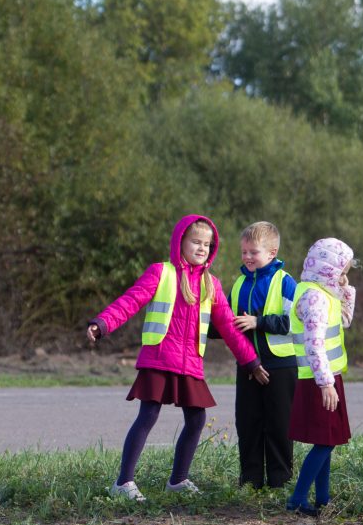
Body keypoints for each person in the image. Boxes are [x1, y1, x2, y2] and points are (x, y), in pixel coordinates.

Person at [87, 215, 268, 502]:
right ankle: (123, 483)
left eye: (207, 245)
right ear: (179, 242)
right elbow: (130, 301)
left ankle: (178, 480)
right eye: (195, 242)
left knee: (197, 419)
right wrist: (103, 323)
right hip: (159, 358)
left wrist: (251, 361)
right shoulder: (162, 272)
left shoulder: (212, 285)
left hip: (190, 364)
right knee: (148, 416)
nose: (201, 248)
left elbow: (229, 329)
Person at [285, 238, 357, 516]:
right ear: (328, 269)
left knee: (327, 439)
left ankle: (323, 499)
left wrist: (345, 289)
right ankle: (298, 498)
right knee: (325, 441)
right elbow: (313, 343)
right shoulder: (313, 297)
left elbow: (346, 320)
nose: (344, 276)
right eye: (342, 271)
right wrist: (326, 383)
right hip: (319, 380)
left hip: (327, 377)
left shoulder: (324, 293)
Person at [227, 221, 298, 489]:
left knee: (279, 426)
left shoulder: (286, 282)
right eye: (243, 252)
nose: (247, 258)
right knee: (248, 424)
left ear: (272, 252)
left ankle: (280, 482)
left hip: (281, 366)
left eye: (253, 252)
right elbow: (229, 323)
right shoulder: (238, 283)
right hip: (247, 365)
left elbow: (295, 323)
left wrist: (259, 322)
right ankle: (250, 482)